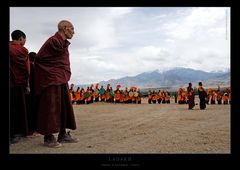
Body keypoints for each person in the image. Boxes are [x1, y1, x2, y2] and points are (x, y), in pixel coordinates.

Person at [34, 20, 78, 147]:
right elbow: (39, 59)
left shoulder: (62, 43)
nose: (74, 32)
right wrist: (50, 73)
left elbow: (61, 62)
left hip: (61, 79)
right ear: (65, 28)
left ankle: (63, 134)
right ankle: (48, 137)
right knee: (51, 108)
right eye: (72, 29)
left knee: (63, 107)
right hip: (51, 79)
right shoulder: (52, 41)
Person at [10, 30, 30, 144]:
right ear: (21, 38)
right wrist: (27, 84)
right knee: (15, 109)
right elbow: (26, 69)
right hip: (16, 84)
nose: (25, 42)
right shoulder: (21, 50)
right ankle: (14, 134)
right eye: (25, 39)